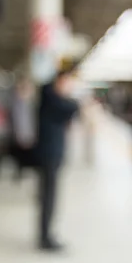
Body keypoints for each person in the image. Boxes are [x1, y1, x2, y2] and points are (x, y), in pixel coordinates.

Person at [35, 68, 79, 252]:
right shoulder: (50, 97)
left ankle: (47, 234)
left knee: (49, 196)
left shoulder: (50, 97)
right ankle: (45, 237)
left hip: (52, 154)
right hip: (49, 154)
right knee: (49, 197)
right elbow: (72, 107)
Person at [8, 79, 36, 182]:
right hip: (21, 133)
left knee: (24, 154)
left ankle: (23, 170)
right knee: (20, 154)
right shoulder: (17, 104)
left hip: (26, 133)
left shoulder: (29, 103)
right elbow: (19, 121)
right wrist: (20, 135)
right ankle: (19, 171)